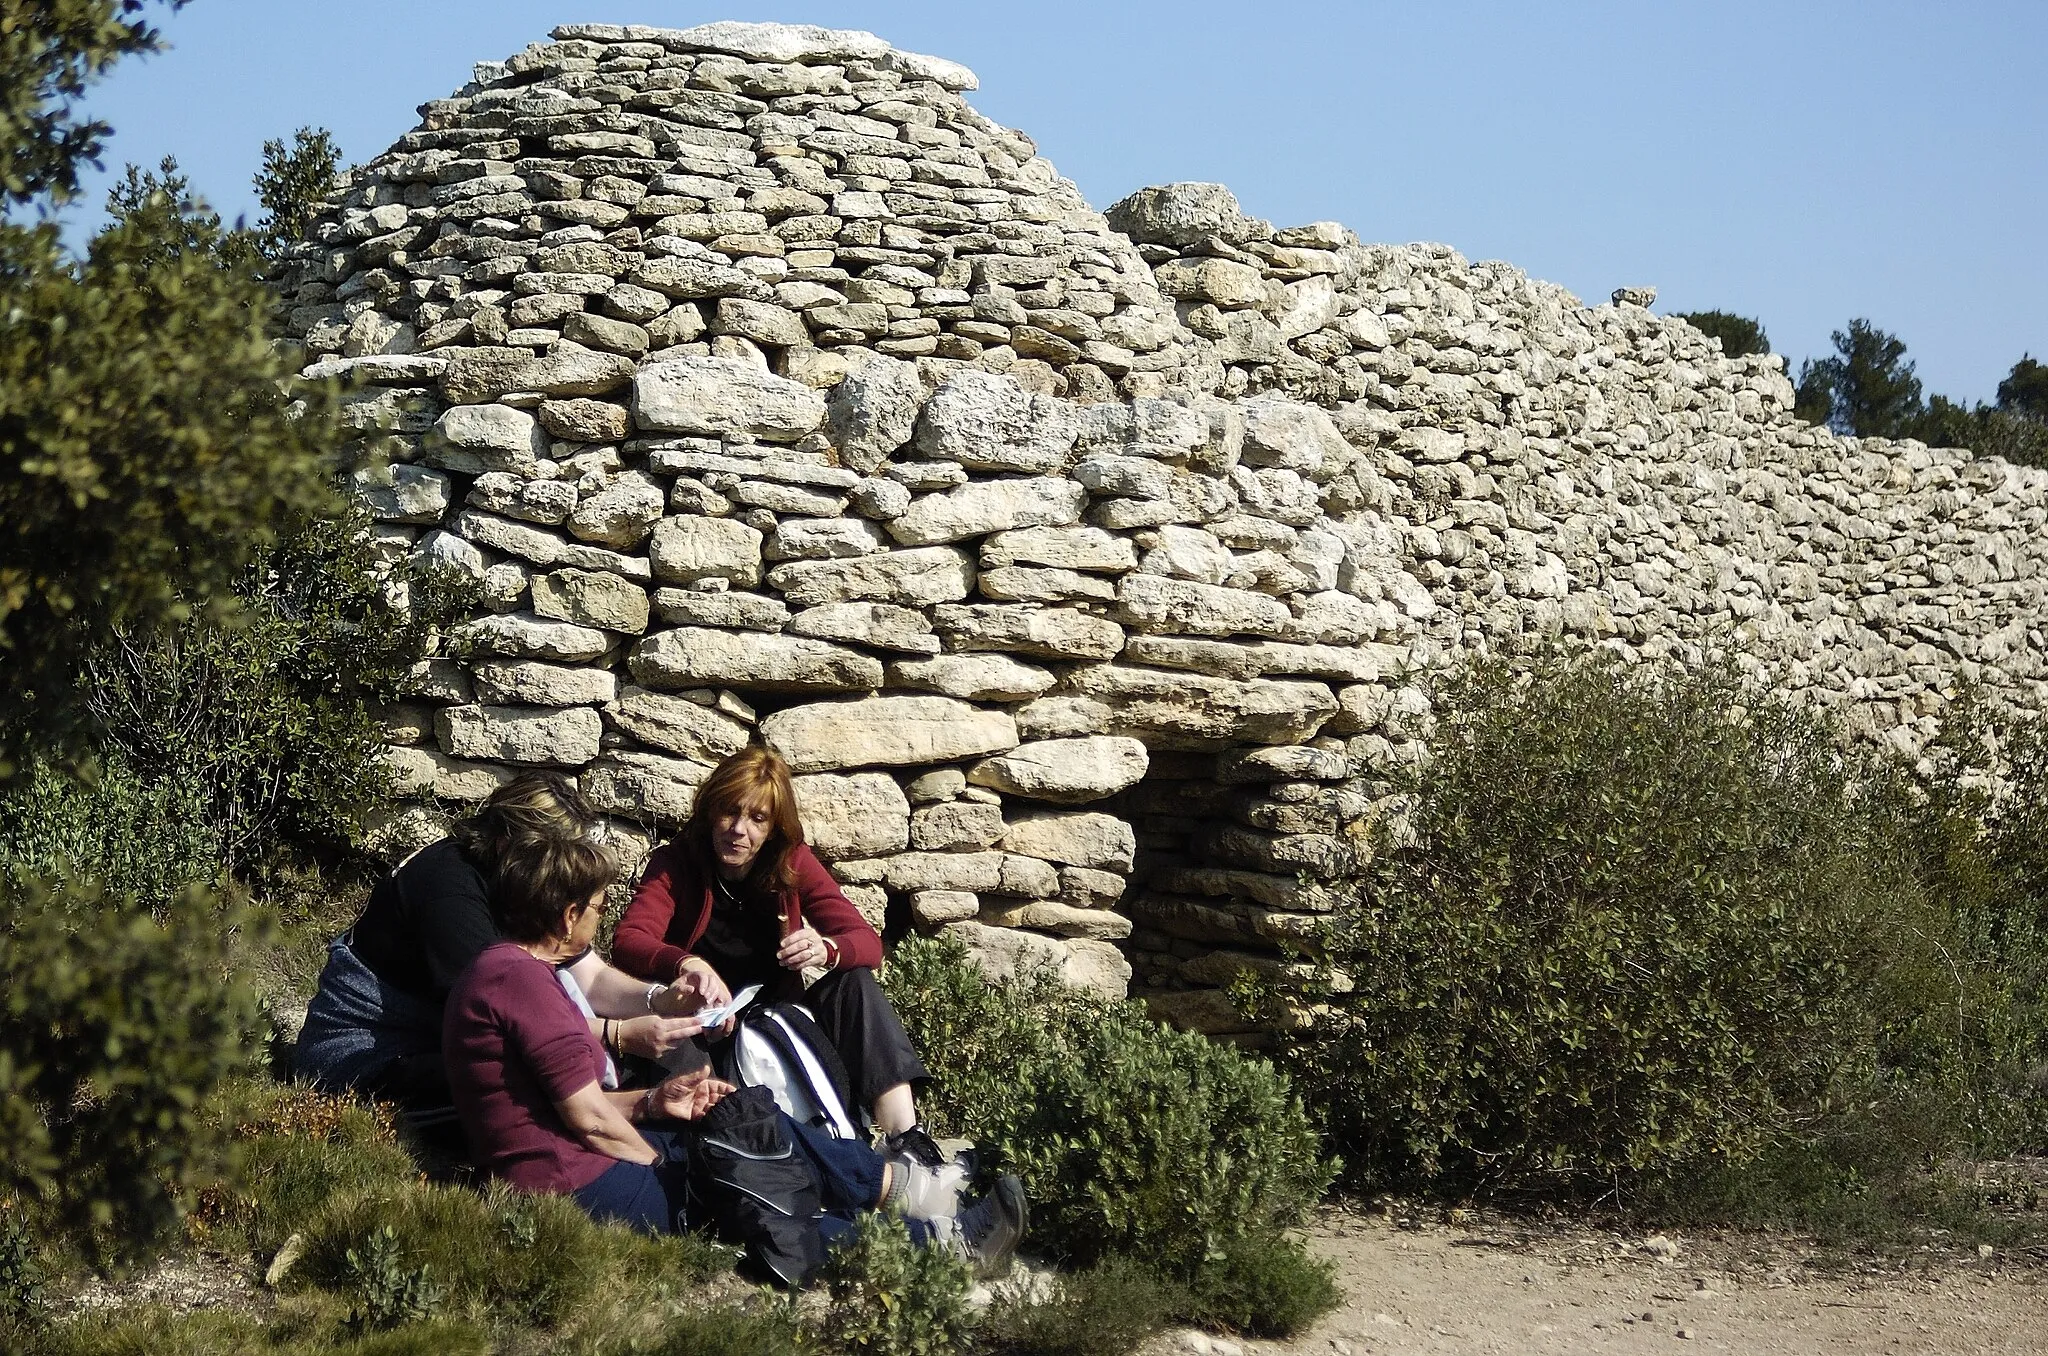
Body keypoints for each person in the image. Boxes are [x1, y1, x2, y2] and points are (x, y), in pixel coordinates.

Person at [442, 826, 1026, 1279]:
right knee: (751, 1188)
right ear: (568, 915)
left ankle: (899, 1189)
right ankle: (938, 1243)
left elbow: (564, 1104)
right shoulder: (519, 982)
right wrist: (669, 1165)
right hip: (578, 1186)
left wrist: (656, 1101)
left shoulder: (512, 972)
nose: (601, 915)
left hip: (577, 1165)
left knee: (744, 1120)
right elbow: (588, 1121)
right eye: (596, 905)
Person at [296, 772, 704, 1142]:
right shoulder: (449, 892)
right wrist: (618, 1035)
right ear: (511, 841)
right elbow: (509, 1025)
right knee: (516, 1081)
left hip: (432, 1038)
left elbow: (588, 974)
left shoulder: (516, 881)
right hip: (364, 1056)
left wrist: (660, 1000)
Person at [613, 747, 947, 1167]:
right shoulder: (676, 863)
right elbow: (629, 939)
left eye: (757, 819)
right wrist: (685, 964)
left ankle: (905, 1138)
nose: (739, 831)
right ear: (709, 809)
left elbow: (866, 942)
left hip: (780, 1019)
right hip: (702, 1026)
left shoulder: (791, 862)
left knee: (855, 983)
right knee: (676, 1044)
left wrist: (824, 948)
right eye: (729, 812)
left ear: (774, 828)